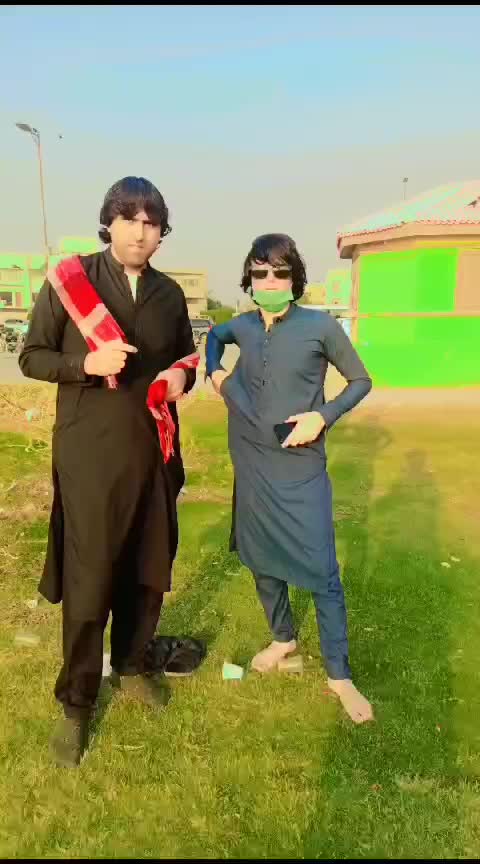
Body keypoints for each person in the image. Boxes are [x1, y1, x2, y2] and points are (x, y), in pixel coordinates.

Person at [19, 176, 197, 766]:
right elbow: (32, 356)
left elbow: (184, 357)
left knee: (147, 569)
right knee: (90, 577)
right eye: (129, 220)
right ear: (109, 223)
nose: (140, 233)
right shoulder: (73, 282)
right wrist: (86, 363)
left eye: (151, 223)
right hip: (89, 455)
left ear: (161, 232)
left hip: (153, 451)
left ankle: (132, 664)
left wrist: (182, 375)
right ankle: (76, 704)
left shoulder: (170, 294)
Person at [206, 233, 374, 724]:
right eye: (260, 273)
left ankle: (339, 675)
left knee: (322, 571)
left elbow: (361, 381)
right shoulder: (242, 325)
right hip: (251, 460)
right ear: (250, 279)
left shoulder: (319, 326)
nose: (270, 281)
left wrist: (323, 416)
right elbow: (213, 338)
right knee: (261, 559)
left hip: (300, 466)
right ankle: (283, 638)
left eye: (280, 272)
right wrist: (216, 374)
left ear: (295, 278)